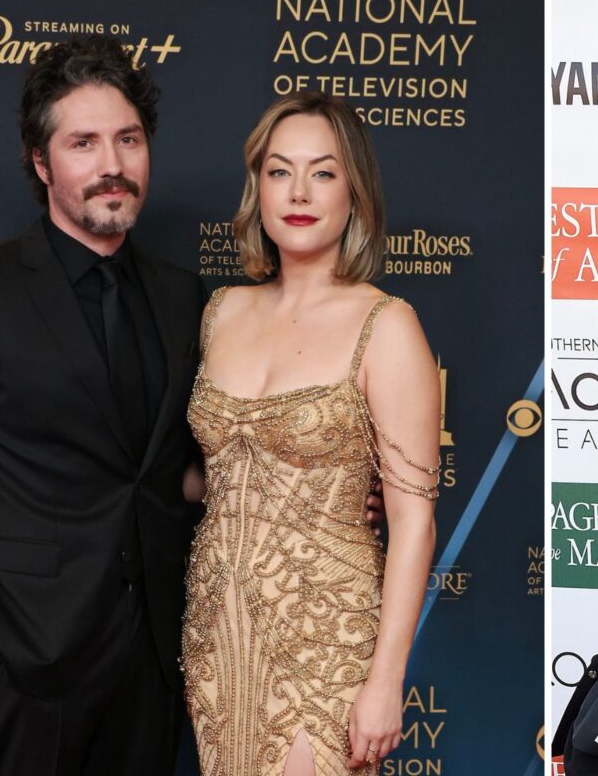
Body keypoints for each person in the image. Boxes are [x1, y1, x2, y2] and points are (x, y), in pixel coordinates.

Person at [0, 35, 204, 775]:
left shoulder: (185, 298)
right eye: (83, 142)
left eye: (128, 139)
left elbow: (195, 468)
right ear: (42, 163)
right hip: (32, 665)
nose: (111, 166)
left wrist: (330, 491)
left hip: (158, 664)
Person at [181, 91, 439, 776]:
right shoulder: (221, 312)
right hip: (216, 631)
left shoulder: (386, 325)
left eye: (323, 172)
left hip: (326, 638)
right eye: (279, 171)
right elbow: (209, 473)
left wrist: (386, 681)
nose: (299, 191)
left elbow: (413, 523)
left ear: (354, 192)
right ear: (257, 188)